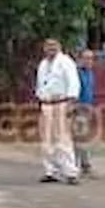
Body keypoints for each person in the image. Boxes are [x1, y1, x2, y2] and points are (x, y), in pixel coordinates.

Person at [34, 37, 80, 184]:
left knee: (63, 137)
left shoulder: (66, 62)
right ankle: (50, 171)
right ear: (44, 49)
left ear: (59, 47)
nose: (50, 49)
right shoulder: (43, 64)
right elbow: (40, 85)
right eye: (48, 46)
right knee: (46, 138)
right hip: (46, 103)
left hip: (61, 102)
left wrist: (72, 101)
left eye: (54, 46)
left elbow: (73, 81)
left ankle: (70, 172)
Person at [74, 47, 96, 176]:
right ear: (80, 59)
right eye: (86, 58)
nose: (89, 61)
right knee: (80, 137)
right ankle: (80, 164)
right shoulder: (76, 73)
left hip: (87, 107)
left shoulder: (90, 73)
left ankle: (84, 164)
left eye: (91, 58)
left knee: (84, 137)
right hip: (78, 107)